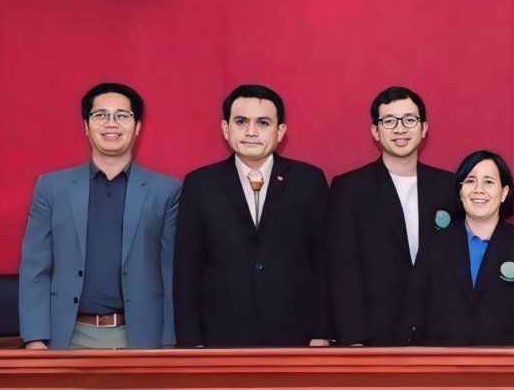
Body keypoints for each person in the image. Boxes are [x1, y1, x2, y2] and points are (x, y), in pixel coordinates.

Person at [18, 82, 181, 349]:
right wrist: (35, 339)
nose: (111, 123)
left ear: (137, 126)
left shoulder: (166, 190)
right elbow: (35, 267)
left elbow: (171, 272)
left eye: (122, 115)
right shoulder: (51, 187)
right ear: (86, 126)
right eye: (101, 115)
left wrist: (168, 343)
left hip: (141, 340)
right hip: (67, 338)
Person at [174, 84, 331, 347]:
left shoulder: (308, 181)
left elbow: (323, 261)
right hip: (220, 336)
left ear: (280, 131)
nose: (251, 131)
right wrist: (191, 341)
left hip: (295, 334)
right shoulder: (200, 184)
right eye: (241, 121)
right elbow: (187, 268)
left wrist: (321, 332)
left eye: (263, 123)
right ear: (226, 129)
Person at [328, 86, 459, 346]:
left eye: (409, 119)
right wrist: (353, 339)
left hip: (439, 334)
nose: (400, 129)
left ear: (423, 128)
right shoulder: (349, 188)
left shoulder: (449, 187)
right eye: (389, 121)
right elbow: (342, 269)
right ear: (375, 131)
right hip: (374, 336)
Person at [406, 150, 514, 346]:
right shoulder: (435, 244)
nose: (479, 189)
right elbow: (415, 313)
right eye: (470, 181)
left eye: (488, 182)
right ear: (460, 191)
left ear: (504, 193)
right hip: (444, 361)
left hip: (505, 362)